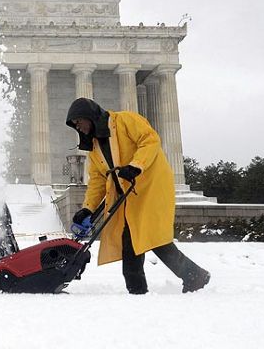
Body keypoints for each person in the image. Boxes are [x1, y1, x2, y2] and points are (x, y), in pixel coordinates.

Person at [66, 97, 210, 294]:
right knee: (137, 240)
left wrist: (136, 166)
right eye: (75, 125)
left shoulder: (125, 121)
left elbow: (150, 140)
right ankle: (149, 287)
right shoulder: (95, 147)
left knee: (149, 239)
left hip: (150, 187)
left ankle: (179, 279)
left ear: (89, 116)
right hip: (129, 195)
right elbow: (97, 180)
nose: (78, 127)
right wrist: (87, 208)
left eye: (78, 122)